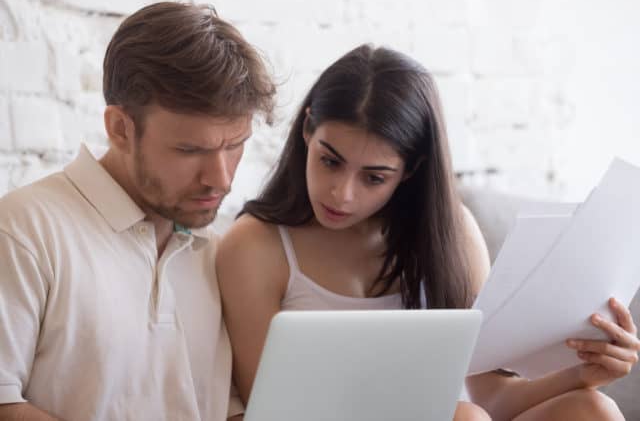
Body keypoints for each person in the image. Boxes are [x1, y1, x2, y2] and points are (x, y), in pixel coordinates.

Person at [216, 44, 639, 421]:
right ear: (308, 129)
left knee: (592, 409)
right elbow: (268, 409)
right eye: (330, 161)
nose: (342, 194)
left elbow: (491, 398)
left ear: (410, 170)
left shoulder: (453, 234)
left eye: (374, 177)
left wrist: (583, 373)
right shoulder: (255, 246)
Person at [0, 1, 275, 421]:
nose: (220, 179)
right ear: (120, 129)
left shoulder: (217, 253)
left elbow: (225, 407)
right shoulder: (25, 230)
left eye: (235, 145)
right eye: (190, 150)